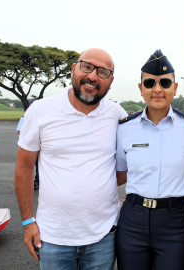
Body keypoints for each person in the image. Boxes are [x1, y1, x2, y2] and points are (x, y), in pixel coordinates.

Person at [14, 48, 127, 269]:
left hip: (103, 236)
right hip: (52, 236)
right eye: (87, 67)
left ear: (110, 82)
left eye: (103, 72)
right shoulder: (40, 111)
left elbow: (125, 169)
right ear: (74, 69)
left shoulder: (118, 115)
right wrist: (28, 221)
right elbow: (24, 168)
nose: (93, 76)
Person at [115, 49, 184, 270]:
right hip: (133, 218)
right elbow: (120, 173)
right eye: (149, 83)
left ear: (175, 88)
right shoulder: (124, 128)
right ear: (141, 89)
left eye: (165, 83)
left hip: (174, 220)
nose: (157, 89)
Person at [17, 99, 40, 190]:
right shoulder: (24, 117)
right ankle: (26, 182)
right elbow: (19, 131)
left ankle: (37, 182)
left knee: (40, 166)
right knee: (27, 165)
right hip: (28, 146)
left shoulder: (43, 118)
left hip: (40, 146)